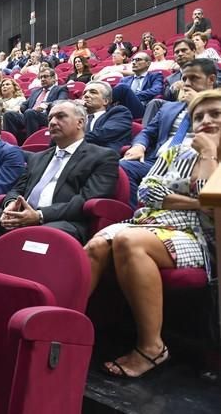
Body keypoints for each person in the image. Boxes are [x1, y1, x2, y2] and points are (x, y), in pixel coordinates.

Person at [85, 89, 221, 378]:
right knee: (95, 246)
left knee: (127, 240)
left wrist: (209, 154)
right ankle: (71, 327)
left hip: (197, 234)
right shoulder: (174, 148)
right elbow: (147, 191)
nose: (206, 121)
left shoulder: (211, 153)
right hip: (150, 221)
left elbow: (212, 202)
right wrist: (196, 203)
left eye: (215, 114)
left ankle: (152, 347)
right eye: (199, 117)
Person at [0, 101, 120, 259]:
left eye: (60, 116)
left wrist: (39, 215)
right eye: (50, 118)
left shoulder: (103, 157)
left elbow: (85, 200)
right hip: (23, 214)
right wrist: (10, 204)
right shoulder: (38, 157)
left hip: (63, 220)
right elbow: (17, 189)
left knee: (41, 233)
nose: (52, 122)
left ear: (80, 122)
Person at [120, 59, 218, 208]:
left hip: (196, 163)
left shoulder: (216, 108)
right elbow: (147, 132)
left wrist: (195, 104)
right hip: (158, 161)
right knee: (121, 167)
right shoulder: (168, 108)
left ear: (211, 79)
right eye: (184, 78)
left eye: (194, 78)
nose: (187, 83)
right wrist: (139, 146)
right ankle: (134, 213)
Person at [3, 68, 69, 141]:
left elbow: (60, 103)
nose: (43, 79)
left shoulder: (60, 89)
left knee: (30, 112)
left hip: (47, 116)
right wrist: (21, 107)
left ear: (53, 78)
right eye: (41, 77)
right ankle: (11, 143)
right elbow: (25, 104)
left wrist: (46, 105)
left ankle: (30, 142)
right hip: (29, 115)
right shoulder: (35, 91)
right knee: (9, 115)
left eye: (46, 76)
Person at [81, 81, 133, 152]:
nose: (86, 95)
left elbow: (103, 134)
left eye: (93, 92)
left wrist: (72, 138)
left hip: (101, 157)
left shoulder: (119, 112)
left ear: (105, 101)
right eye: (84, 93)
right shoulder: (79, 117)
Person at [113, 52, 164, 118]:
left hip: (143, 109)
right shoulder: (125, 79)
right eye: (133, 60)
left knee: (123, 88)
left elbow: (157, 90)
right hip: (123, 108)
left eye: (138, 60)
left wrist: (132, 96)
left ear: (148, 63)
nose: (134, 62)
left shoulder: (155, 76)